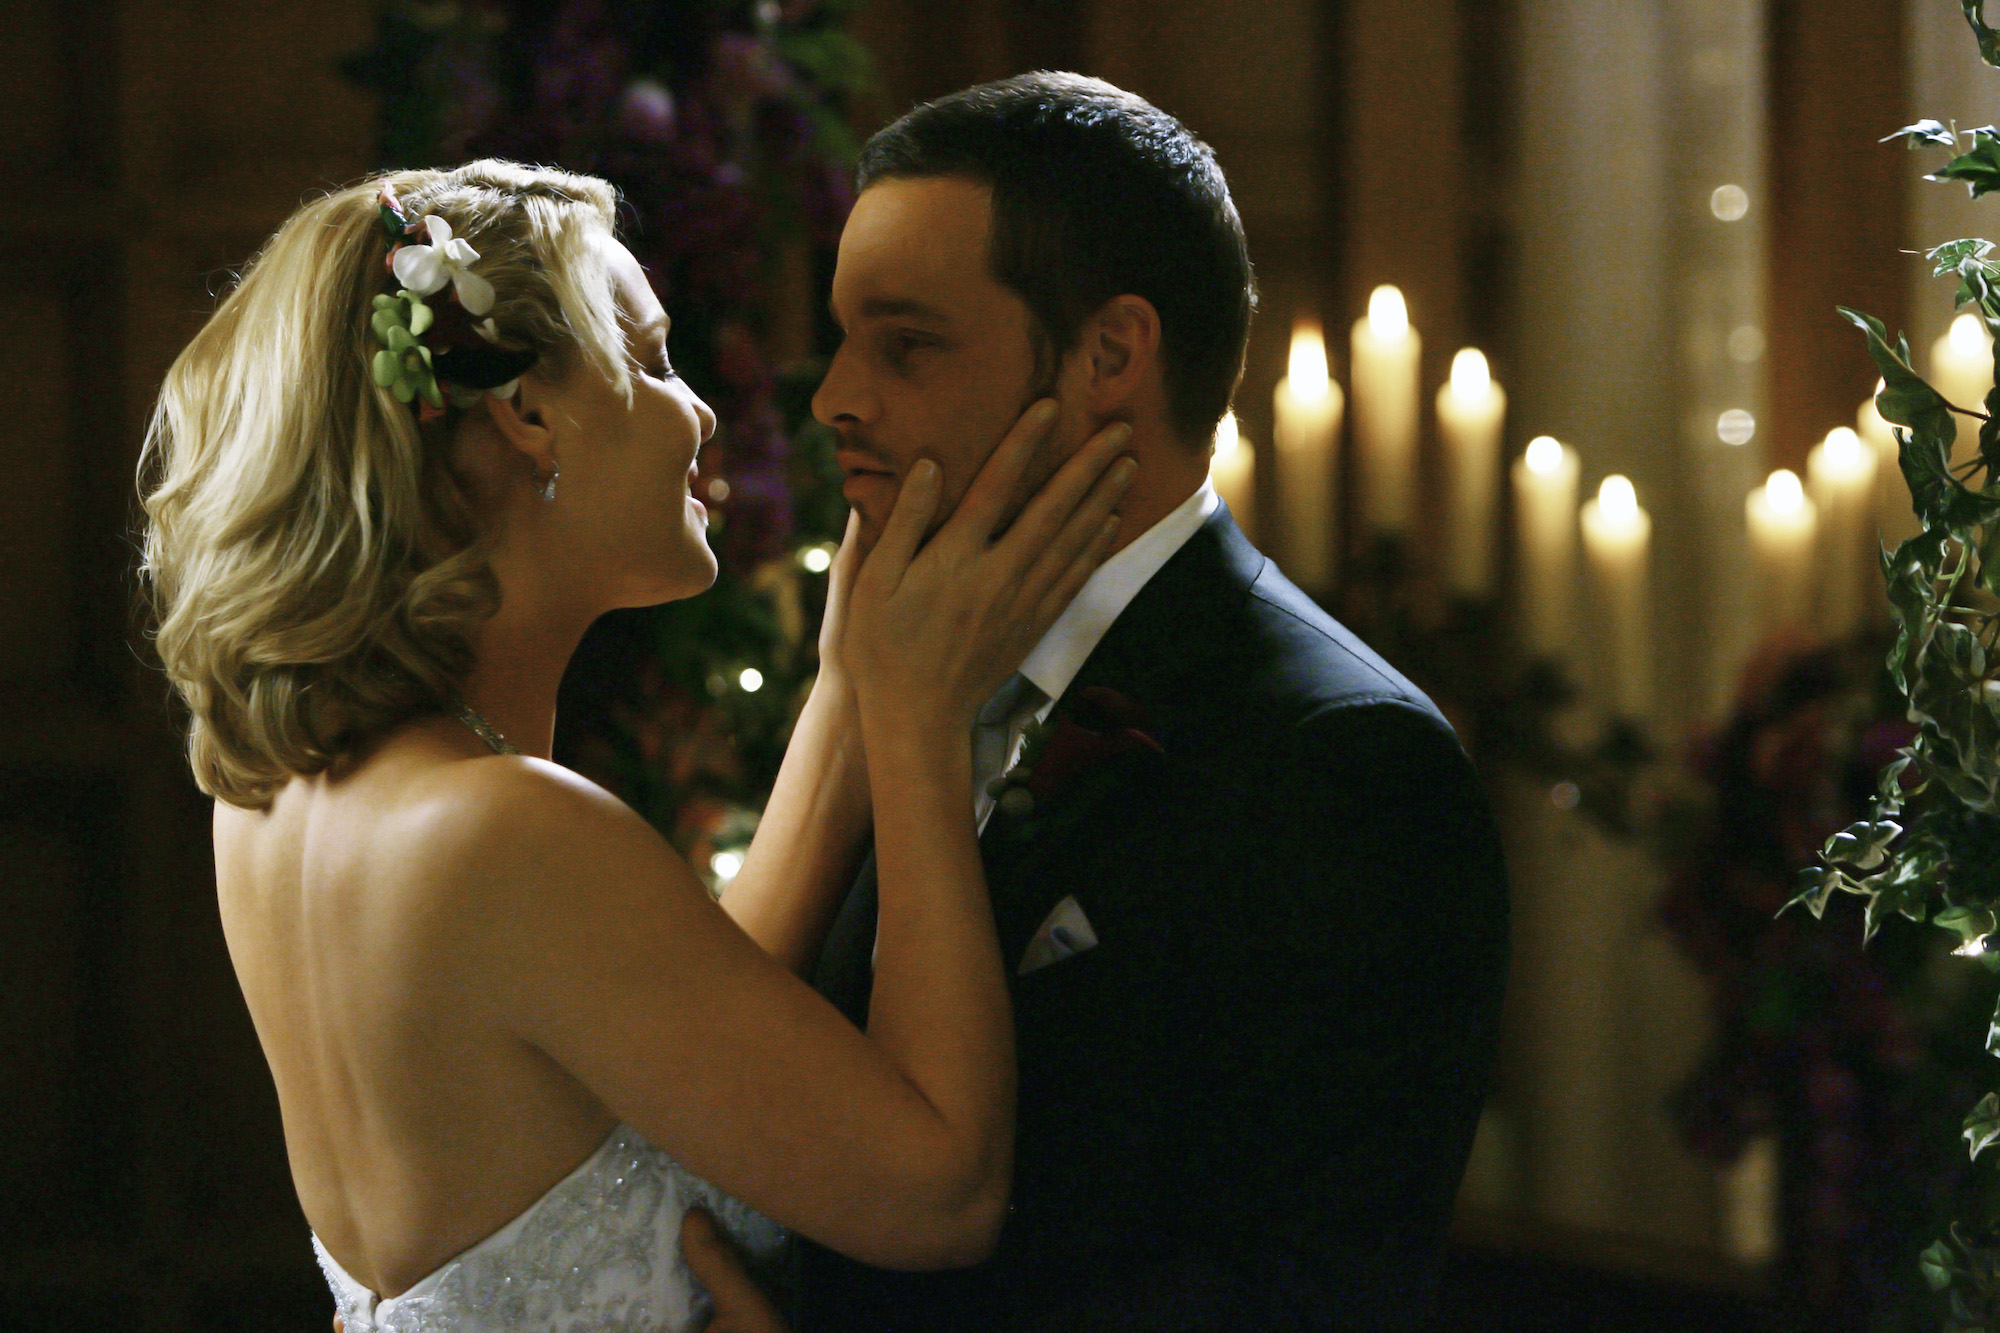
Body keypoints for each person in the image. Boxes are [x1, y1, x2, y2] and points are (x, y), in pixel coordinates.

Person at [138, 158, 1135, 1333]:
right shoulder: (506, 828)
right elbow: (943, 1194)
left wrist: (848, 686)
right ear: (526, 413)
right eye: (655, 361)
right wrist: (919, 725)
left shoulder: (284, 792)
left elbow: (677, 1026)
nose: (699, 410)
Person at [712, 73, 1513, 1331]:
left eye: (905, 343)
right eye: (843, 337)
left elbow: (1303, 1294)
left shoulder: (1340, 757)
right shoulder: (882, 670)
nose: (833, 400)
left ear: (1108, 355)